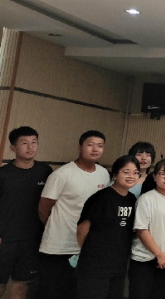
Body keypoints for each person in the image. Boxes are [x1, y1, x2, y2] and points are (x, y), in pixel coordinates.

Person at [37, 130, 111, 299]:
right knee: (51, 292)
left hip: (85, 247)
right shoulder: (62, 174)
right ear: (79, 147)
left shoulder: (104, 174)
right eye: (90, 145)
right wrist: (55, 227)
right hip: (58, 248)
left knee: (77, 292)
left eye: (100, 146)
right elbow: (44, 208)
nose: (95, 149)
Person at [75, 156, 139, 299]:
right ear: (115, 175)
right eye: (126, 172)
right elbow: (82, 229)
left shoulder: (132, 199)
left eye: (136, 173)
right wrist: (90, 254)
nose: (131, 176)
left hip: (119, 266)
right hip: (95, 266)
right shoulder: (101, 198)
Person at [0, 126, 52, 299]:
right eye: (24, 143)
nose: (30, 147)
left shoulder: (45, 171)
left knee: (22, 286)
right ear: (12, 147)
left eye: (34, 142)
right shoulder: (3, 174)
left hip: (32, 239)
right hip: (5, 239)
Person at [129, 159, 165, 299]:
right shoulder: (145, 199)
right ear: (154, 176)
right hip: (144, 259)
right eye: (163, 173)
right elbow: (141, 230)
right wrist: (159, 254)